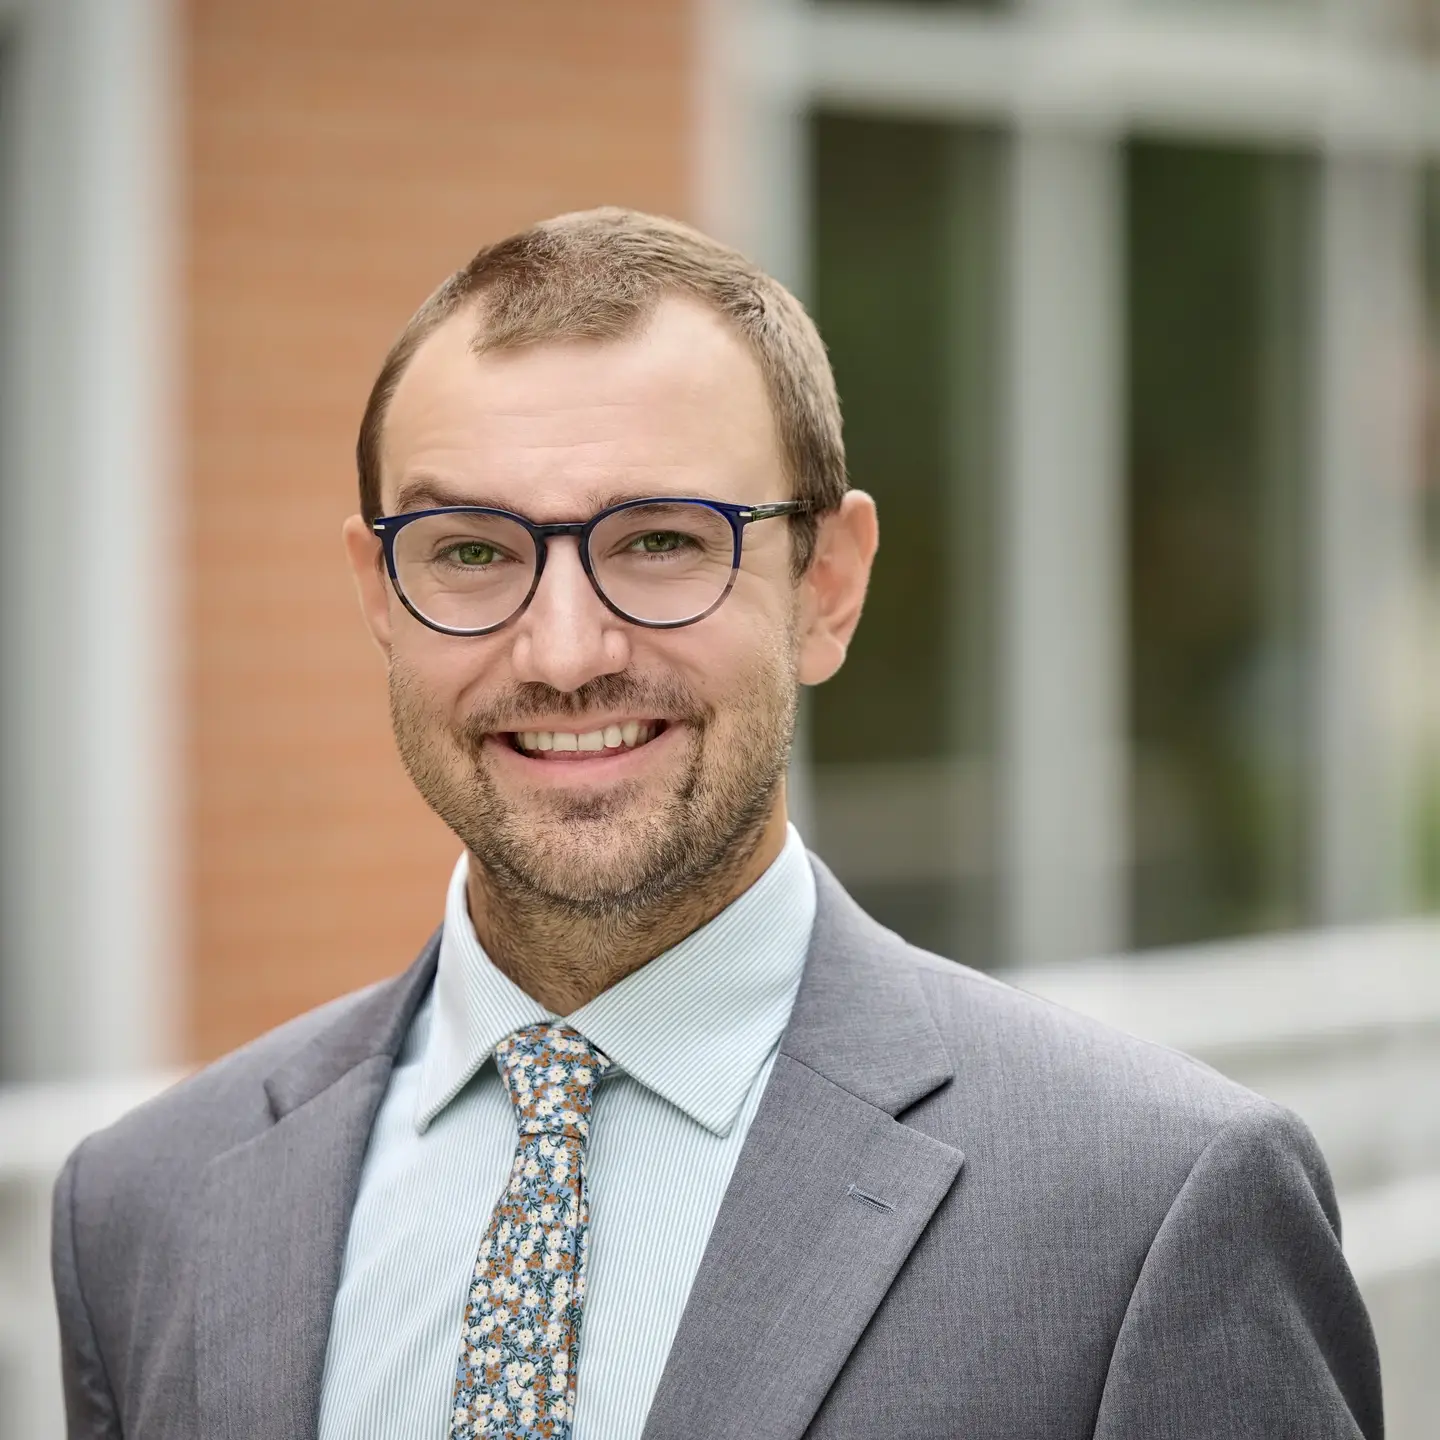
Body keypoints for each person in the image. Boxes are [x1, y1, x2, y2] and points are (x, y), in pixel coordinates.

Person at [51, 208, 1381, 1440]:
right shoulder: (146, 1212)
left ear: (830, 588)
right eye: (470, 551)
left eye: (662, 543)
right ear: (380, 594)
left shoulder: (1151, 1207)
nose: (564, 650)